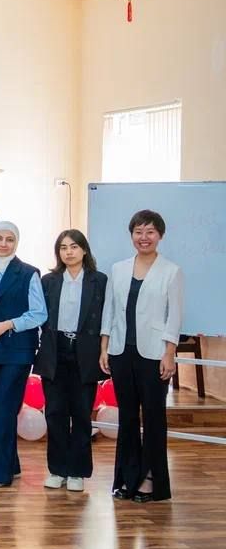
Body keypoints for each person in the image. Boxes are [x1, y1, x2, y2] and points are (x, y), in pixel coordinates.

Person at [100, 210, 183, 503]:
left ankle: (150, 480)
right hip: (121, 352)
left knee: (153, 416)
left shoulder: (171, 271)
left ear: (160, 235)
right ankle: (127, 477)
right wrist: (104, 347)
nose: (143, 237)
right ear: (131, 235)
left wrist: (170, 352)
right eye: (138, 231)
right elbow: (109, 311)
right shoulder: (118, 269)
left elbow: (174, 316)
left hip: (154, 354)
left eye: (150, 232)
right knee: (127, 418)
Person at [0, 221, 47, 488]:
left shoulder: (28, 273)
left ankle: (0, 473)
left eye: (9, 239)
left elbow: (39, 313)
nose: (3, 244)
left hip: (17, 350)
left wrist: (9, 324)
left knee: (4, 408)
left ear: (16, 243)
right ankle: (9, 464)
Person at [36, 230, 107, 492]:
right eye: (63, 247)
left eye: (74, 246)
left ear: (84, 250)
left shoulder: (99, 280)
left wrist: (104, 350)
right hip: (55, 350)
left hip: (85, 351)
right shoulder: (49, 281)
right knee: (55, 413)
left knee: (81, 413)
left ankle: (77, 471)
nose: (69, 252)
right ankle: (57, 470)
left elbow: (106, 319)